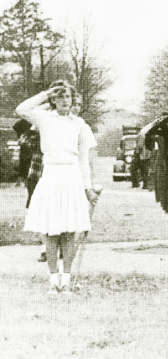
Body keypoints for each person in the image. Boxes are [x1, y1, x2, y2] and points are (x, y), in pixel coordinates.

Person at [16, 82, 98, 295]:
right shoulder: (43, 119)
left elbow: (83, 160)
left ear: (73, 100)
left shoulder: (79, 124)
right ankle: (53, 281)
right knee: (51, 233)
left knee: (69, 233)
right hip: (51, 175)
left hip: (72, 177)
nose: (64, 101)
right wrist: (45, 94)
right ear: (53, 100)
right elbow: (21, 109)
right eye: (60, 97)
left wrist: (87, 188)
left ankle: (67, 281)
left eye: (68, 97)